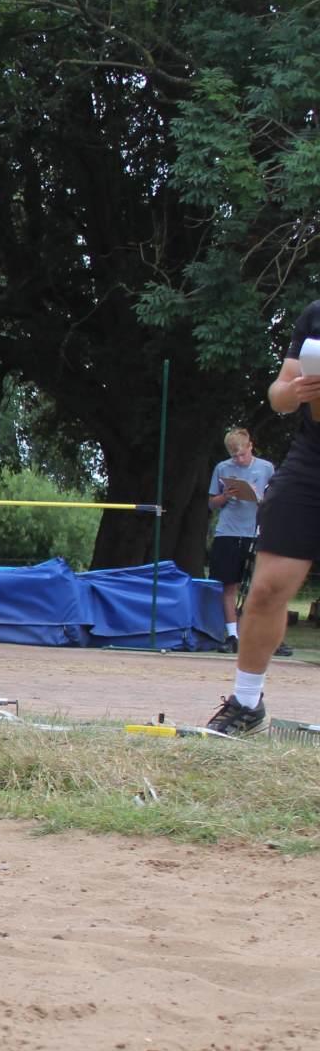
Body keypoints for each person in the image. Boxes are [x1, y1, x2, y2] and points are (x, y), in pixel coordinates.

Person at [206, 303, 320, 735]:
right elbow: (279, 395)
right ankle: (247, 705)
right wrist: (296, 391)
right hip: (312, 463)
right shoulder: (315, 316)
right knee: (268, 587)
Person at [205, 428, 284, 654]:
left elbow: (275, 499)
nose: (239, 460)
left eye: (242, 454)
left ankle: (261, 637)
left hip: (256, 532)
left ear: (251, 446)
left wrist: (261, 498)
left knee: (261, 586)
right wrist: (226, 495)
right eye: (235, 456)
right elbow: (211, 503)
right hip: (228, 532)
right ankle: (232, 635)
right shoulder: (222, 468)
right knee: (229, 584)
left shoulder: (266, 467)